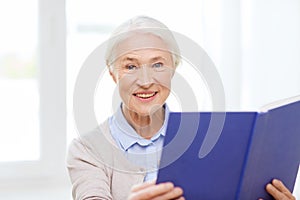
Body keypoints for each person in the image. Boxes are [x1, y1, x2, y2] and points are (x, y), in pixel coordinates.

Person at [67, 16, 296, 200]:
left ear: (173, 69)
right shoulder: (87, 150)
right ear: (112, 73)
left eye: (158, 64)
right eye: (130, 66)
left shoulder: (208, 139)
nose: (145, 80)